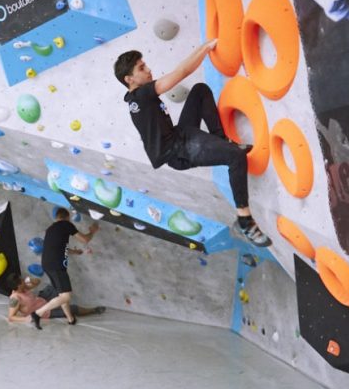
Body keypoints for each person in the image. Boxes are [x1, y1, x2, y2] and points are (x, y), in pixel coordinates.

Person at [113, 43, 272, 247]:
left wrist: (204, 48)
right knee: (235, 156)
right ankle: (244, 221)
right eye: (142, 68)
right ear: (129, 79)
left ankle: (221, 141)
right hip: (179, 151)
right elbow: (182, 72)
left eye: (145, 65)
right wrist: (205, 48)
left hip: (179, 135)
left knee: (199, 91)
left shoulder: (137, 98)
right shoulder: (141, 96)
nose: (149, 69)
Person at [29, 208, 99, 329]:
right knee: (65, 296)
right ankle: (37, 314)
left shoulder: (51, 229)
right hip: (56, 266)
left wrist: (74, 252)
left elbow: (57, 246)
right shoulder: (66, 224)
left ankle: (71, 319)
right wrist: (92, 231)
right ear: (67, 217)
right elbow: (85, 239)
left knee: (62, 294)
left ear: (57, 217)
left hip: (47, 264)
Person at [6, 273, 104, 324]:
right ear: (18, 285)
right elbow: (11, 317)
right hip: (44, 312)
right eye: (22, 280)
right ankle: (93, 310)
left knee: (56, 284)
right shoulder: (15, 298)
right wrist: (26, 319)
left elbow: (38, 282)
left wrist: (29, 280)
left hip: (42, 299)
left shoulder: (23, 288)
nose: (23, 280)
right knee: (72, 309)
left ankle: (61, 299)